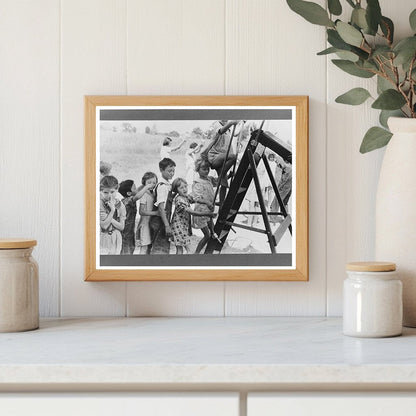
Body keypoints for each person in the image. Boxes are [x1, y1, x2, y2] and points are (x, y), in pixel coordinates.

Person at [170, 178, 216, 254]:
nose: (184, 189)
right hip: (179, 227)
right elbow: (193, 213)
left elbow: (196, 200)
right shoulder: (179, 200)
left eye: (185, 186)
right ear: (176, 190)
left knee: (180, 249)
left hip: (180, 227)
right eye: (181, 188)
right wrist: (208, 214)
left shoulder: (186, 197)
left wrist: (207, 202)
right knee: (189, 250)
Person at [202, 120, 240, 205]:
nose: (226, 120)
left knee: (224, 183)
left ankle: (221, 205)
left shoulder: (229, 130)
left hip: (223, 158)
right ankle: (221, 176)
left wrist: (241, 123)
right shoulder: (217, 124)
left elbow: (235, 135)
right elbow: (221, 131)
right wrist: (230, 123)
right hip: (215, 156)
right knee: (233, 157)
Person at [118, 179, 155, 254]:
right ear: (129, 193)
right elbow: (137, 196)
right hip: (125, 230)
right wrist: (146, 186)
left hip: (130, 229)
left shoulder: (128, 197)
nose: (136, 189)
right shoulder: (127, 201)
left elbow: (137, 191)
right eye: (134, 188)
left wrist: (144, 183)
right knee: (126, 248)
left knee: (131, 246)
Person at [149, 158, 176, 254]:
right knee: (159, 248)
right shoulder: (162, 186)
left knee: (163, 246)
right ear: (161, 170)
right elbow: (161, 207)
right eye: (169, 171)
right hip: (160, 222)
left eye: (173, 171)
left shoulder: (166, 184)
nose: (172, 173)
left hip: (163, 220)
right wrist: (167, 225)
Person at [192, 159, 217, 254]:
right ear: (198, 170)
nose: (206, 171)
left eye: (208, 169)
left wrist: (228, 176)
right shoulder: (198, 183)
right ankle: (196, 253)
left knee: (213, 231)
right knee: (207, 235)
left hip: (208, 211)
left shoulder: (209, 179)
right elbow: (196, 198)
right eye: (204, 169)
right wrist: (207, 202)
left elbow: (218, 180)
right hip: (201, 212)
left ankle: (209, 251)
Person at [99, 175, 126, 255]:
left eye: (112, 192)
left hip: (116, 237)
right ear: (100, 191)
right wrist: (112, 211)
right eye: (105, 192)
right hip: (103, 237)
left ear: (117, 190)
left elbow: (121, 227)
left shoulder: (121, 205)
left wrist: (109, 218)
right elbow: (104, 226)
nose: (109, 195)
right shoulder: (99, 204)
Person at [136, 172, 159, 254]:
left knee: (150, 246)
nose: (152, 185)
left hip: (152, 224)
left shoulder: (154, 193)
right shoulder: (144, 194)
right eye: (149, 183)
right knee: (144, 246)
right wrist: (155, 213)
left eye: (154, 182)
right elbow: (141, 211)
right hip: (145, 224)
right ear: (144, 183)